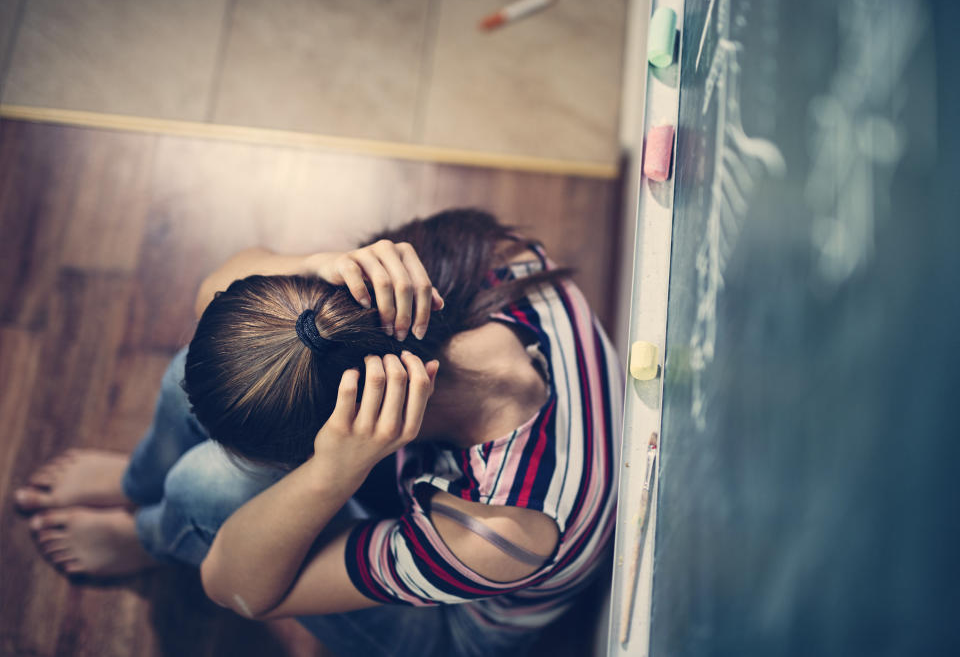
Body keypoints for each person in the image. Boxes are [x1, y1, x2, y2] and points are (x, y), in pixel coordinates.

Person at [14, 209, 623, 657]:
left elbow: (235, 588)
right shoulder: (486, 260)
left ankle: (147, 537)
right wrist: (309, 267)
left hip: (453, 620)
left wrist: (335, 473)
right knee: (189, 374)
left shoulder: (494, 527)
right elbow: (216, 300)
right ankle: (135, 483)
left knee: (206, 487)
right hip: (441, 474)